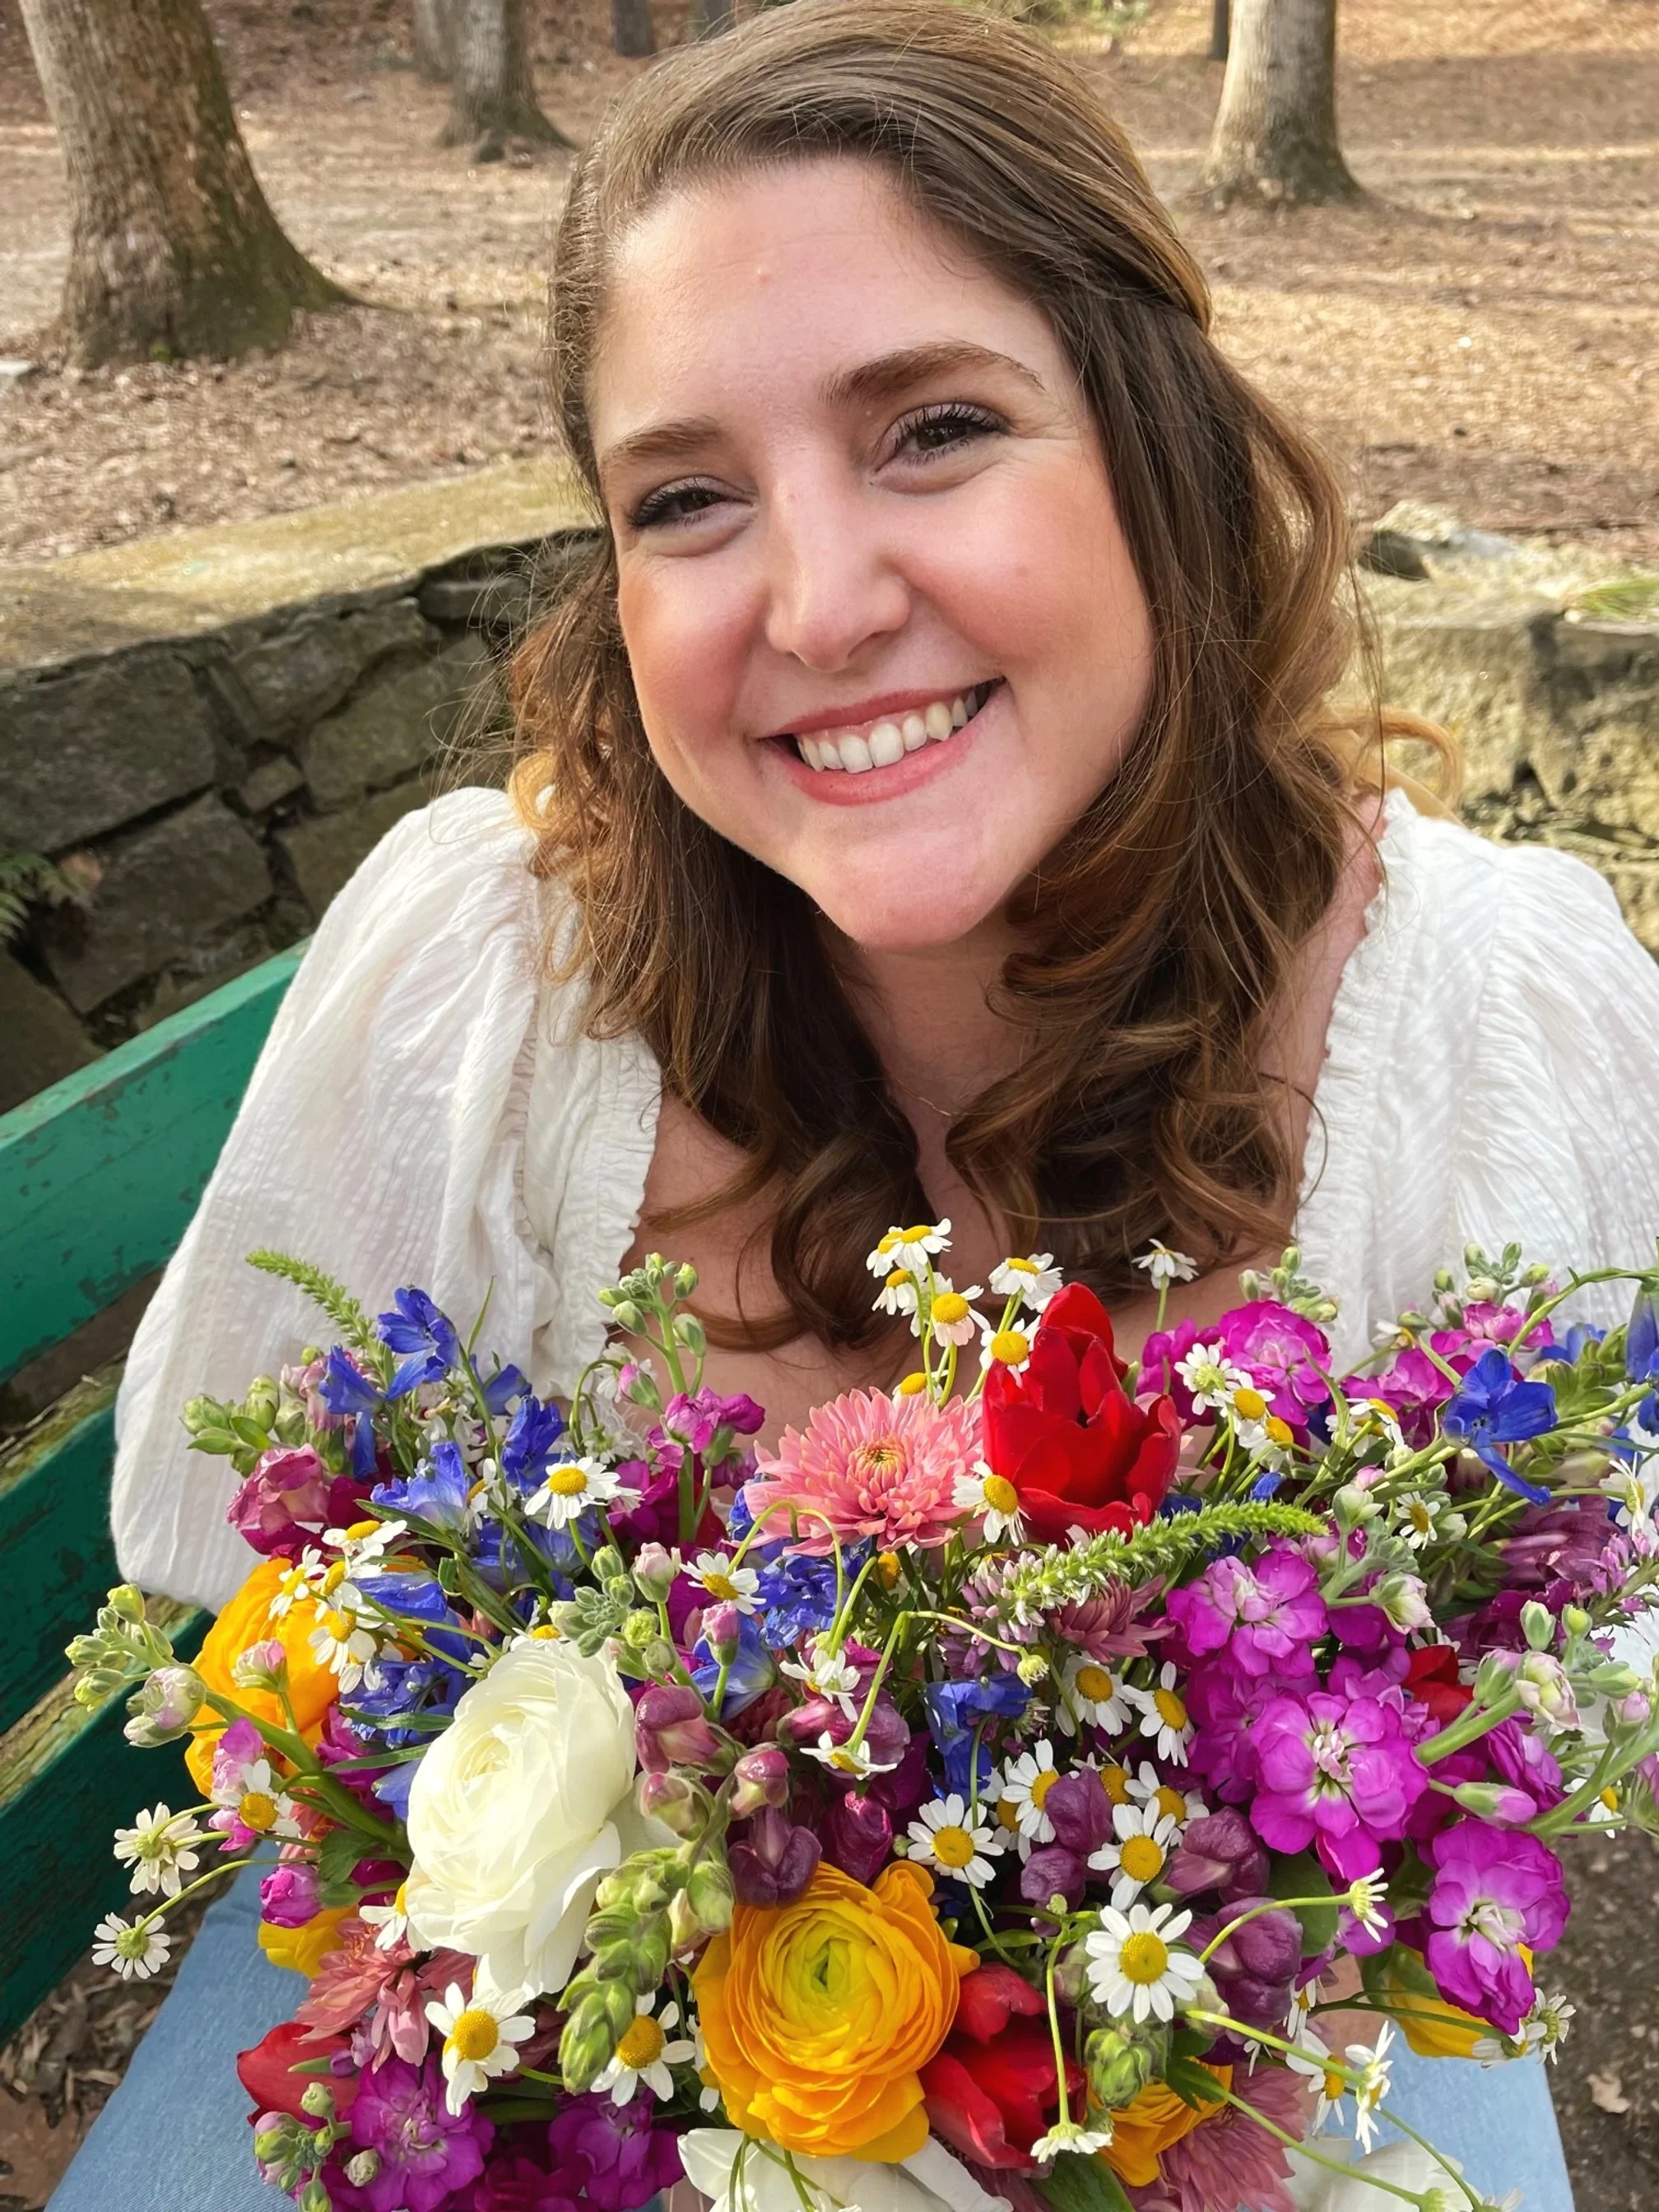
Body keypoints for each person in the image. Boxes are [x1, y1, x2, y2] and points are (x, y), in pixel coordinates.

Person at [52, 4, 1659, 2205]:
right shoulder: (485, 996)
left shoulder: (1497, 1027)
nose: (817, 601)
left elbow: (1567, 1683)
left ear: (1159, 451)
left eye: (934, 430)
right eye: (689, 497)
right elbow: (253, 1587)